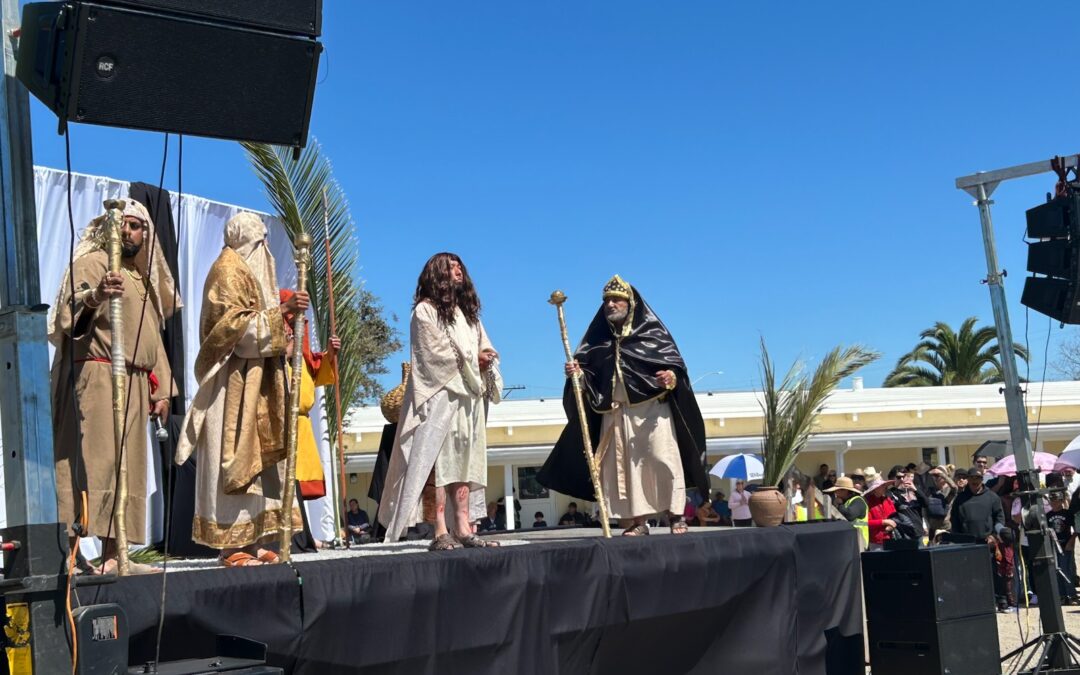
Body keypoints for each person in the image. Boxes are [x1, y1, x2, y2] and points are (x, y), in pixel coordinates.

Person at [50, 200, 180, 575]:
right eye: (123, 224)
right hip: (98, 375)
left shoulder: (141, 281)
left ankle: (114, 556)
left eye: (137, 226)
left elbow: (152, 338)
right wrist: (96, 297)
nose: (128, 232)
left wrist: (162, 389)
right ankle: (70, 555)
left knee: (128, 468)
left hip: (136, 383)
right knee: (90, 462)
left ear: (146, 235)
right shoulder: (91, 265)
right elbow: (68, 319)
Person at [175, 212, 303, 567]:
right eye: (260, 242)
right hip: (232, 383)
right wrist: (282, 312)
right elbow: (233, 331)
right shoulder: (227, 270)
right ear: (247, 240)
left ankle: (257, 537)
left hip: (260, 380)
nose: (265, 250)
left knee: (263, 467)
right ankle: (231, 547)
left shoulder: (249, 270)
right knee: (231, 460)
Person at [538, 275, 709, 536]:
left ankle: (676, 516)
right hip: (617, 413)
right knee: (625, 471)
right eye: (606, 300)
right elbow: (591, 377)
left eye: (617, 299)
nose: (610, 304)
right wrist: (579, 374)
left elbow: (676, 368)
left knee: (663, 459)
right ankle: (638, 522)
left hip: (653, 411)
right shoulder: (597, 342)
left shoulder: (652, 335)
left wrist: (671, 377)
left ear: (631, 304)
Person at [378, 253, 502, 550]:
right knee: (438, 463)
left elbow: (483, 345)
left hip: (467, 399)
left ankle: (463, 526)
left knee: (464, 463)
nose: (458, 270)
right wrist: (475, 361)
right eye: (451, 267)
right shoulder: (425, 311)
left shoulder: (469, 315)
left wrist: (487, 358)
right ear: (437, 274)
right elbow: (433, 355)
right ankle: (439, 530)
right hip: (439, 398)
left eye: (460, 266)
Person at [279, 288, 341, 501]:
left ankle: (302, 533)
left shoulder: (302, 357)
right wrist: (284, 351)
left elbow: (316, 374)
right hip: (282, 427)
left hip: (301, 428)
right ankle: (297, 535)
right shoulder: (273, 354)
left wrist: (330, 354)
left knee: (299, 490)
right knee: (284, 487)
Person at [1048, 490, 1078, 605]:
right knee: (1056, 570)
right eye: (1052, 500)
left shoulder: (1067, 514)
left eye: (1056, 500)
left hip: (1066, 545)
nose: (1054, 503)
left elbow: (1075, 529)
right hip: (1054, 545)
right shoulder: (1047, 515)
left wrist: (1072, 541)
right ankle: (1061, 595)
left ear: (1061, 501)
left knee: (1066, 569)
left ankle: (1071, 594)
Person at [824, 476, 868, 548]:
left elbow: (850, 515)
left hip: (859, 544)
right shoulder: (846, 501)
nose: (835, 492)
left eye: (837, 490)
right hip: (849, 543)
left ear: (845, 490)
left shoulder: (858, 501)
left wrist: (840, 504)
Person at [863, 471, 898, 550]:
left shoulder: (887, 499)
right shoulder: (867, 502)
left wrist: (891, 525)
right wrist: (884, 522)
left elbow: (895, 516)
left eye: (884, 485)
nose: (885, 487)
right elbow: (866, 522)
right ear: (875, 489)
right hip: (876, 542)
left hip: (891, 539)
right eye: (882, 485)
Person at [925, 466, 957, 542]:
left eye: (938, 475)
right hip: (933, 528)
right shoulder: (931, 491)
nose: (937, 477)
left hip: (946, 527)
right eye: (935, 476)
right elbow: (925, 508)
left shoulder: (949, 490)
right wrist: (926, 524)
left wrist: (942, 474)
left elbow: (954, 488)